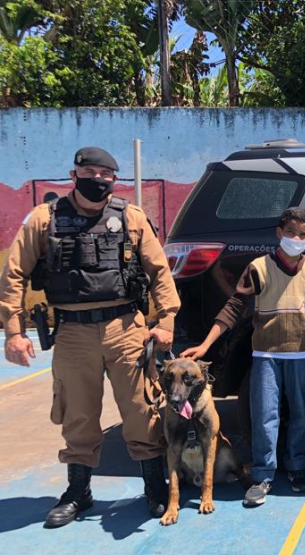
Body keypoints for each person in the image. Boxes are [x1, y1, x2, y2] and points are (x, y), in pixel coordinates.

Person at [0, 147, 180, 527]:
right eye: (91, 171)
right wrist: (13, 331)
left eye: (106, 174)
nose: (98, 179)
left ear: (115, 180)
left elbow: (159, 270)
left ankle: (154, 487)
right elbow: (14, 274)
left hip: (125, 329)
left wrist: (166, 321)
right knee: (78, 415)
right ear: (74, 174)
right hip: (72, 332)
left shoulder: (130, 218)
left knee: (141, 409)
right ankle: (78, 492)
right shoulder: (44, 219)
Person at [181, 207, 305, 507]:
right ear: (279, 233)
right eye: (290, 233)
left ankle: (297, 467)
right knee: (265, 416)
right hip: (266, 355)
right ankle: (262, 475)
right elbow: (235, 307)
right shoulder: (259, 267)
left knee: (301, 414)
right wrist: (206, 344)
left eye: (302, 235)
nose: (296, 239)